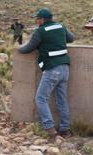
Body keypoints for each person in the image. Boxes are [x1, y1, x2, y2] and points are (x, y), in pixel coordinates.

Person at [18, 8, 75, 139]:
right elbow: (71, 39)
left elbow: (28, 48)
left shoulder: (41, 31)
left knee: (41, 98)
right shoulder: (61, 26)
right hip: (65, 68)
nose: (37, 21)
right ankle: (65, 129)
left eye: (38, 19)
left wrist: (18, 49)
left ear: (43, 19)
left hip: (52, 69)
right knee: (61, 99)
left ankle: (50, 129)